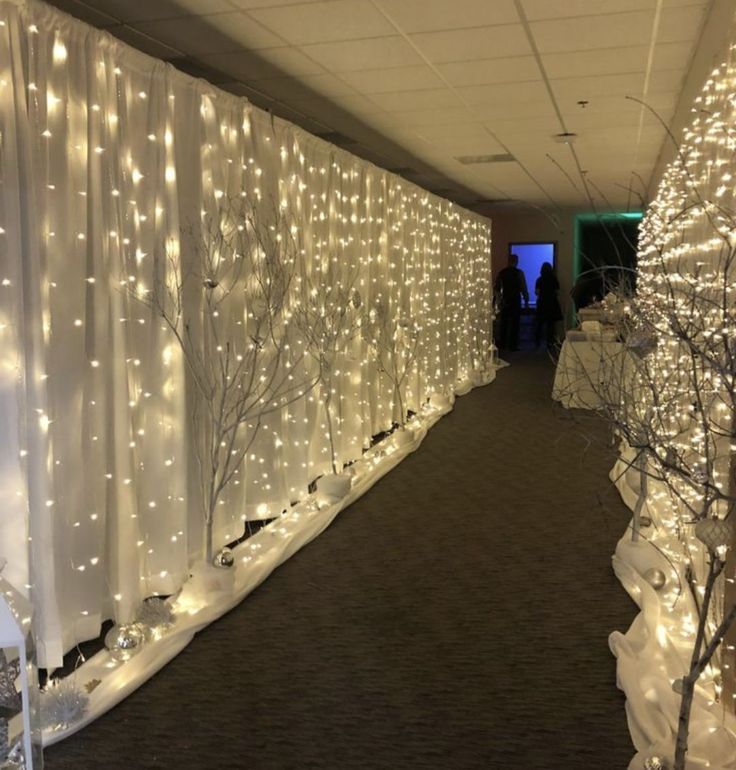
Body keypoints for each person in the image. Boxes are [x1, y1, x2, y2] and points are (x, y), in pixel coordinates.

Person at [494, 253, 528, 350]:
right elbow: (523, 287)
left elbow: (497, 287)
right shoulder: (519, 273)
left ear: (508, 261)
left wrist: (499, 300)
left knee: (504, 323)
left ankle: (503, 344)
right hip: (515, 300)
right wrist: (526, 299)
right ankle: (513, 345)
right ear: (516, 262)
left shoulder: (502, 273)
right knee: (515, 323)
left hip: (505, 300)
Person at [534, 262, 563, 350]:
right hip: (552, 303)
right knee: (551, 325)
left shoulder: (539, 279)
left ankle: (537, 342)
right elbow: (557, 291)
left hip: (542, 303)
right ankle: (549, 343)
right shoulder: (554, 279)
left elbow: (537, 292)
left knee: (539, 324)